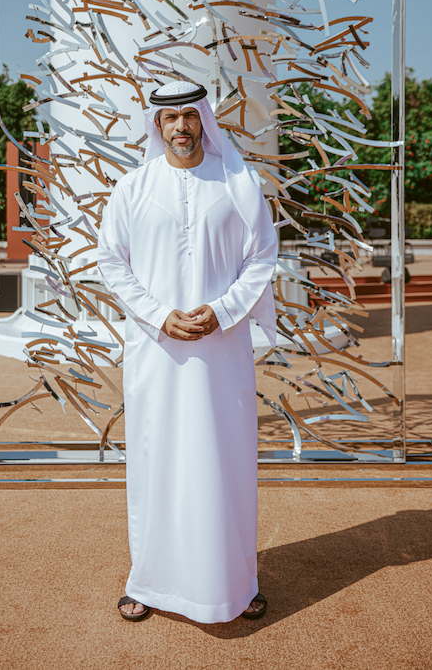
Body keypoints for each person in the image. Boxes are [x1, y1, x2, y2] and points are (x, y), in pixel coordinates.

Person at [97, 80, 278, 624]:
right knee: (156, 462)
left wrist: (222, 311)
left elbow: (263, 258)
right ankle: (149, 582)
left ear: (205, 121)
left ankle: (234, 585)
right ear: (156, 125)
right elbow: (111, 262)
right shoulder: (132, 188)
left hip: (221, 355)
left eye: (190, 116)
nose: (181, 126)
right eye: (170, 117)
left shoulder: (240, 183)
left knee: (224, 464)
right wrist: (159, 315)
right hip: (158, 355)